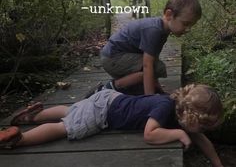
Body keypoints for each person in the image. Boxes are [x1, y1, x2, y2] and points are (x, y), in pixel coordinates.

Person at [0, 84, 224, 167]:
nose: (202, 133)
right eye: (203, 127)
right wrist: (177, 133)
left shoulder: (176, 106)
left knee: (72, 111)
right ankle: (19, 140)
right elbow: (150, 134)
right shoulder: (164, 108)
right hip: (103, 111)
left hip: (108, 98)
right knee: (66, 126)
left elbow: (200, 138)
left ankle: (31, 118)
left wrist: (217, 163)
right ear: (191, 119)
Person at [98, 0, 202, 95]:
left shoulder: (162, 30)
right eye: (185, 24)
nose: (188, 29)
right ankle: (113, 86)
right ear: (169, 14)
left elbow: (152, 61)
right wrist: (150, 97)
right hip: (112, 58)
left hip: (118, 57)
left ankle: (135, 88)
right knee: (156, 68)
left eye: (191, 26)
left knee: (155, 67)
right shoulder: (154, 30)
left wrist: (159, 90)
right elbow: (148, 65)